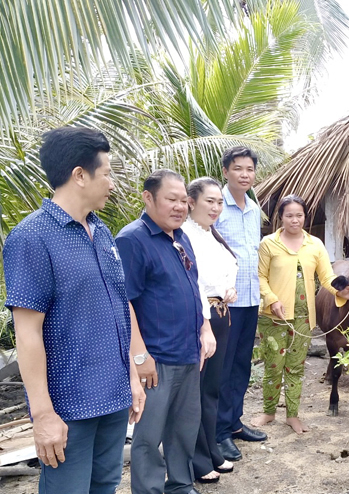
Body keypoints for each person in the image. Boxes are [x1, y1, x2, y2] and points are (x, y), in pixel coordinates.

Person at [3, 126, 145, 494]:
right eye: (108, 173)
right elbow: (27, 332)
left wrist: (131, 377)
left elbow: (118, 306)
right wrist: (43, 414)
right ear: (79, 175)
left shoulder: (102, 232)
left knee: (106, 486)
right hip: (70, 406)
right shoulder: (32, 237)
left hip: (113, 397)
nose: (112, 183)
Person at [116, 169, 216, 494]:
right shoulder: (132, 240)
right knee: (148, 437)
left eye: (183, 200)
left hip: (189, 354)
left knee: (184, 430)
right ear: (148, 198)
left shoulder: (180, 237)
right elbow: (123, 302)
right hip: (156, 360)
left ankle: (181, 486)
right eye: (170, 199)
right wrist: (140, 356)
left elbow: (192, 287)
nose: (179, 207)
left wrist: (203, 328)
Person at [250, 195, 349, 434]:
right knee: (273, 365)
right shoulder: (269, 243)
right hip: (273, 316)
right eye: (289, 215)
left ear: (305, 217)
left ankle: (293, 415)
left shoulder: (315, 245)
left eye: (299, 215)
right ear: (281, 217)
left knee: (295, 368)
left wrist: (343, 291)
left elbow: (327, 278)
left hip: (303, 318)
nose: (294, 220)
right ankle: (268, 412)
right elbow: (260, 277)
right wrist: (272, 299)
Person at [182, 177, 238, 484]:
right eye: (209, 201)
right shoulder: (185, 235)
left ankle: (212, 450)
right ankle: (198, 459)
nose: (216, 208)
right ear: (191, 202)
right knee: (198, 392)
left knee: (212, 389)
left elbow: (228, 269)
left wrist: (229, 288)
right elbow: (194, 282)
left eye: (219, 202)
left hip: (221, 314)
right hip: (200, 320)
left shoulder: (211, 235)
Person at [215, 147, 267, 461]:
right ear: (225, 172)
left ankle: (234, 422)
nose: (244, 174)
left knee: (241, 365)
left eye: (249, 169)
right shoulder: (215, 205)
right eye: (238, 168)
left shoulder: (252, 207)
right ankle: (219, 432)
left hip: (250, 300)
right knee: (222, 368)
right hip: (225, 303)